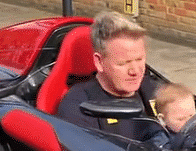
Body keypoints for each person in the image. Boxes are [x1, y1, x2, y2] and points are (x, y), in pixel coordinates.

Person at [56, 11, 165, 143]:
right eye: (123, 63)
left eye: (140, 59)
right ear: (99, 62)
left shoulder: (155, 90)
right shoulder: (79, 109)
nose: (135, 71)